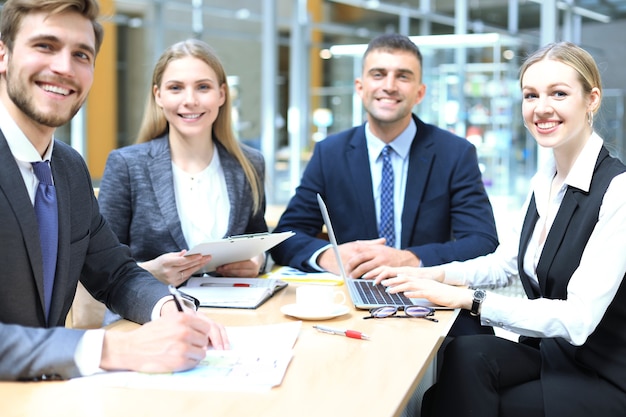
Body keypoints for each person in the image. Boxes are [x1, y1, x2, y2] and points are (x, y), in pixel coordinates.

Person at [369, 41, 626, 417]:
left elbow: (578, 319)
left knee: (454, 403)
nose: (541, 108)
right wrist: (426, 275)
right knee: (462, 354)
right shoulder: (547, 179)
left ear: (592, 100)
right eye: (530, 95)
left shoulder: (617, 191)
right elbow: (504, 264)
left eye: (559, 93)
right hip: (553, 354)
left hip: (602, 373)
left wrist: (468, 299)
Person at [0, 0, 228, 382]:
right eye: (45, 46)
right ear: (3, 54)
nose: (63, 67)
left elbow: (116, 274)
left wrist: (171, 310)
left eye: (81, 55)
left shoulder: (68, 169)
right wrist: (111, 348)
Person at [270, 33, 499, 334]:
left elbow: (483, 242)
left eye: (403, 76)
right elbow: (286, 236)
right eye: (378, 74)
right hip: (351, 305)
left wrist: (409, 258)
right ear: (360, 87)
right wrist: (333, 257)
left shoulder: (454, 153)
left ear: (420, 92)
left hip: (432, 301)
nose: (389, 86)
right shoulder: (330, 153)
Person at [98, 39, 267, 287]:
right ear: (158, 96)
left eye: (203, 87)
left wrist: (258, 260)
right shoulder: (126, 165)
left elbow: (259, 240)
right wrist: (148, 272)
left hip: (237, 310)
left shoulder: (249, 164)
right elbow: (101, 264)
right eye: (176, 88)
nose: (190, 100)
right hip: (153, 313)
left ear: (221, 94)